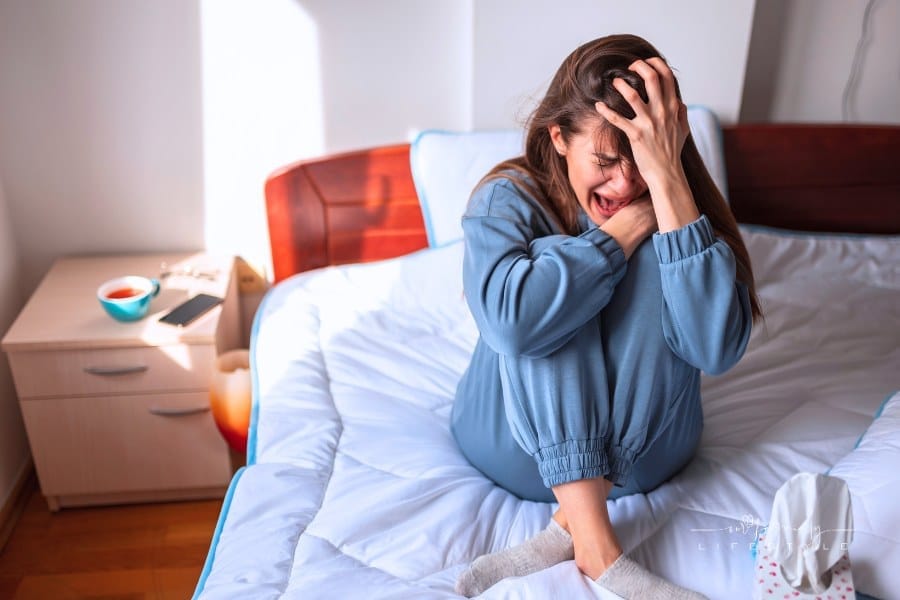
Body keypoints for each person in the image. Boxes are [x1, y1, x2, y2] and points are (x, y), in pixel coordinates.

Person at [450, 33, 761, 599]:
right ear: (558, 139)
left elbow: (716, 349)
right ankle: (598, 545)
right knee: (546, 277)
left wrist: (669, 188)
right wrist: (620, 233)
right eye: (605, 161)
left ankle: (574, 529)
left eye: (641, 161)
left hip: (645, 451)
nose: (625, 184)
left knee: (656, 257)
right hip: (511, 447)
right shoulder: (507, 199)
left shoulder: (673, 201)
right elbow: (513, 323)